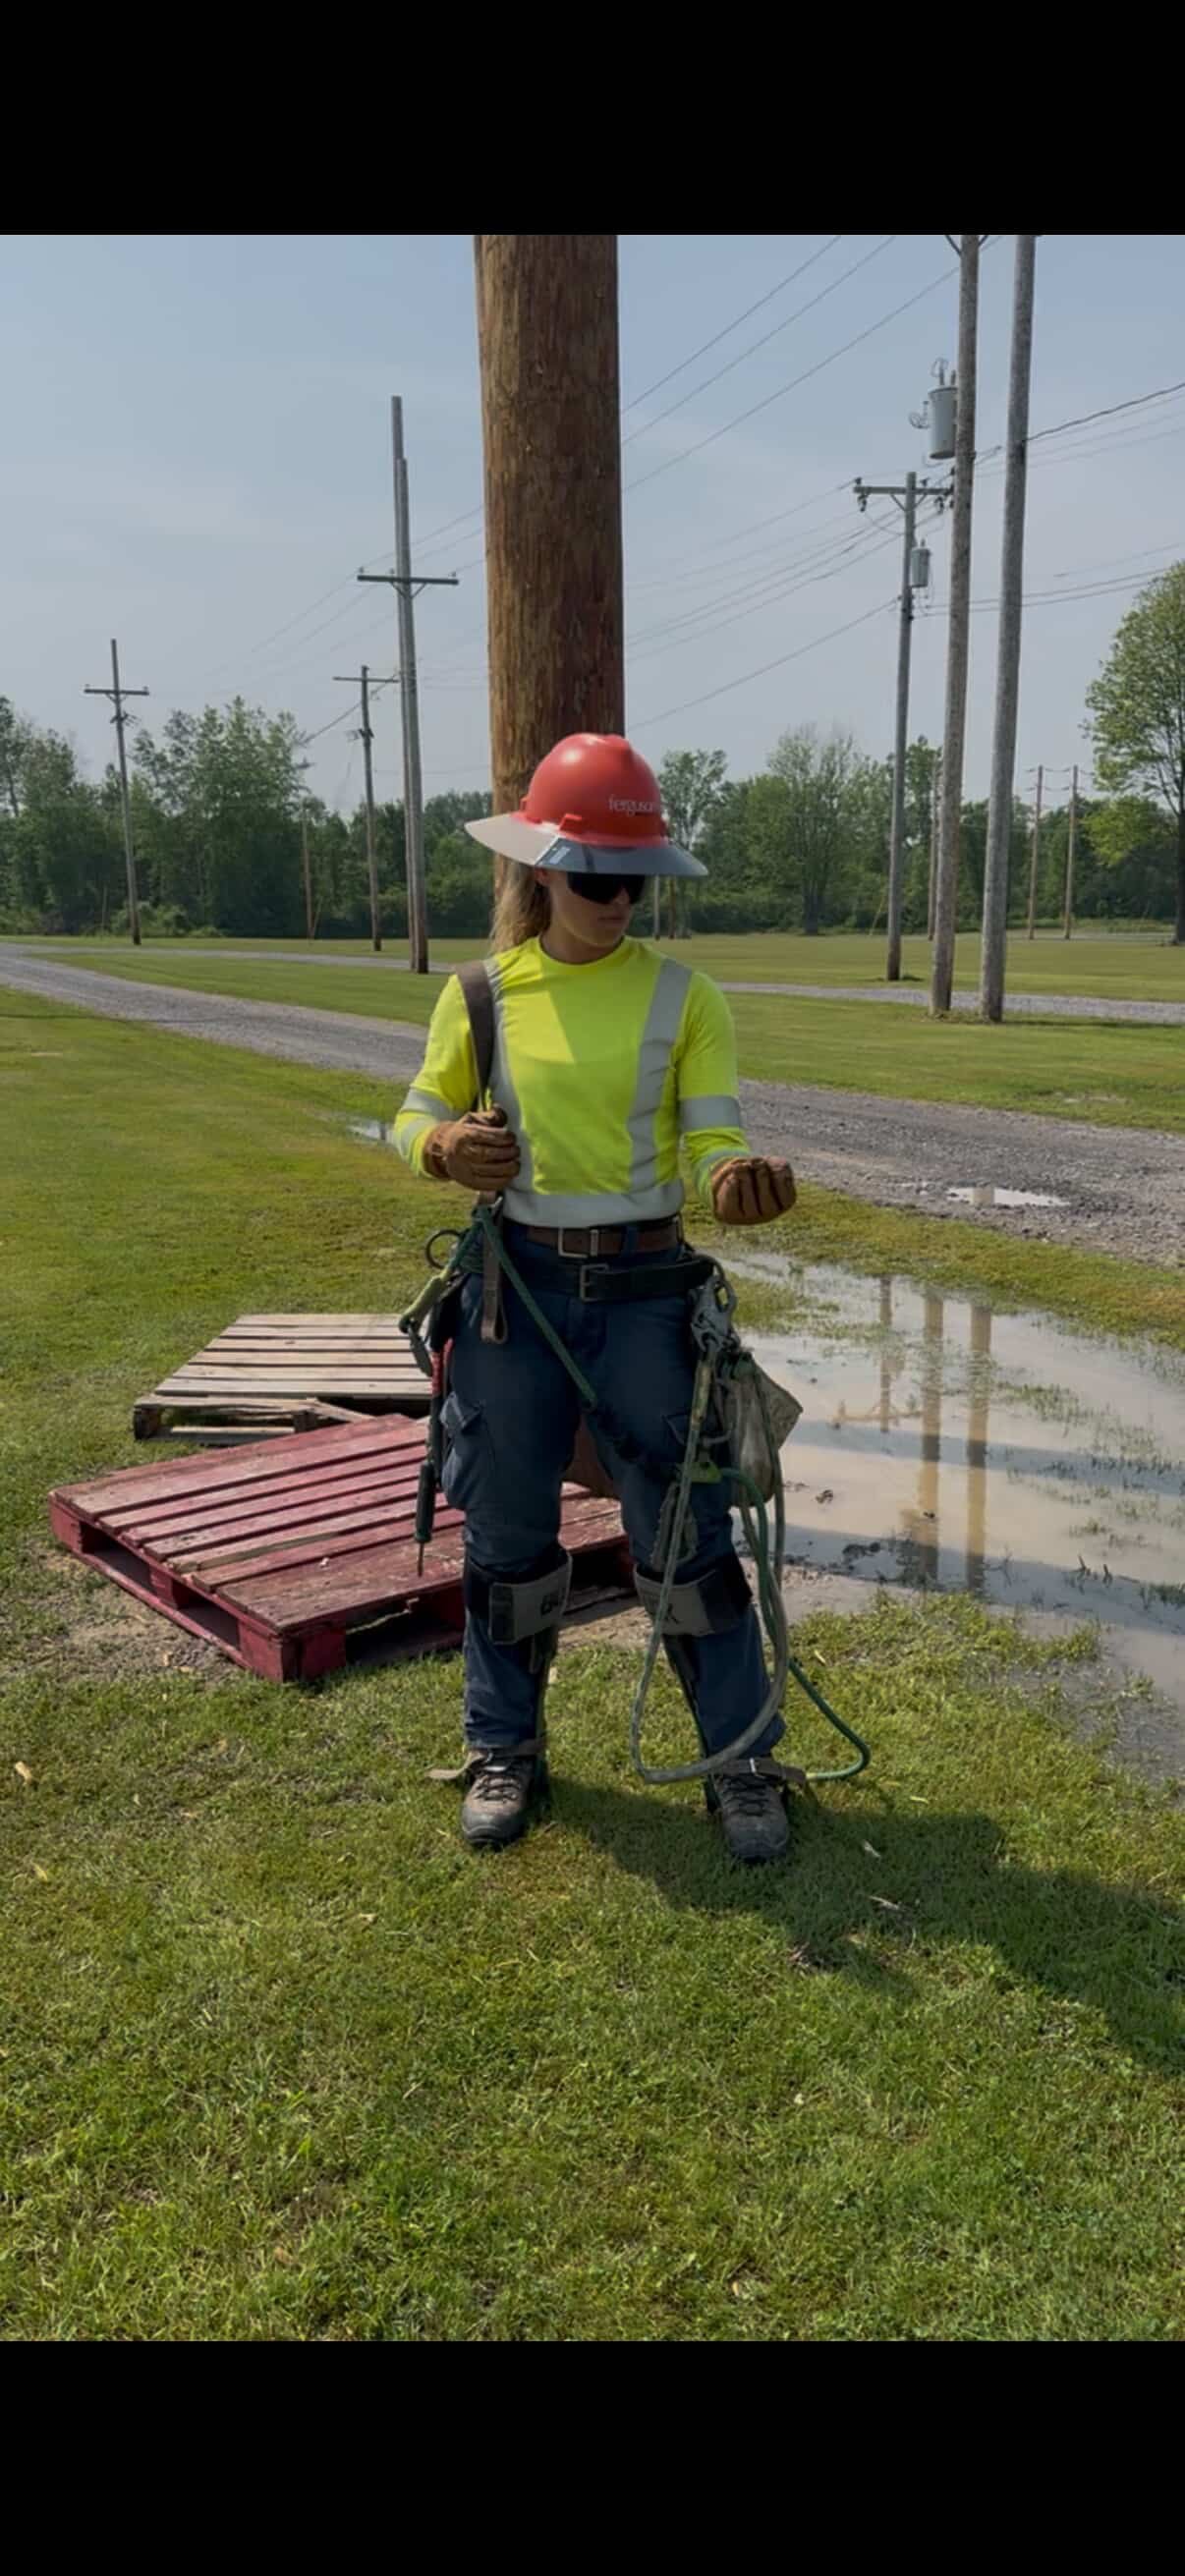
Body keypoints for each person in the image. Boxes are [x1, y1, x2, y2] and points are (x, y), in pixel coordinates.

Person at [395, 733, 797, 1862]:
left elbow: (716, 1137)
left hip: (645, 1300)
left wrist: (733, 1182)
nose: (620, 901)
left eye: (638, 879)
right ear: (541, 872)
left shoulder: (688, 997)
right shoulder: (479, 997)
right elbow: (413, 1111)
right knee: (510, 1537)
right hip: (509, 1302)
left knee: (688, 1540)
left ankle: (741, 1763)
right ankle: (504, 1748)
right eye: (597, 878)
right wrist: (440, 1148)